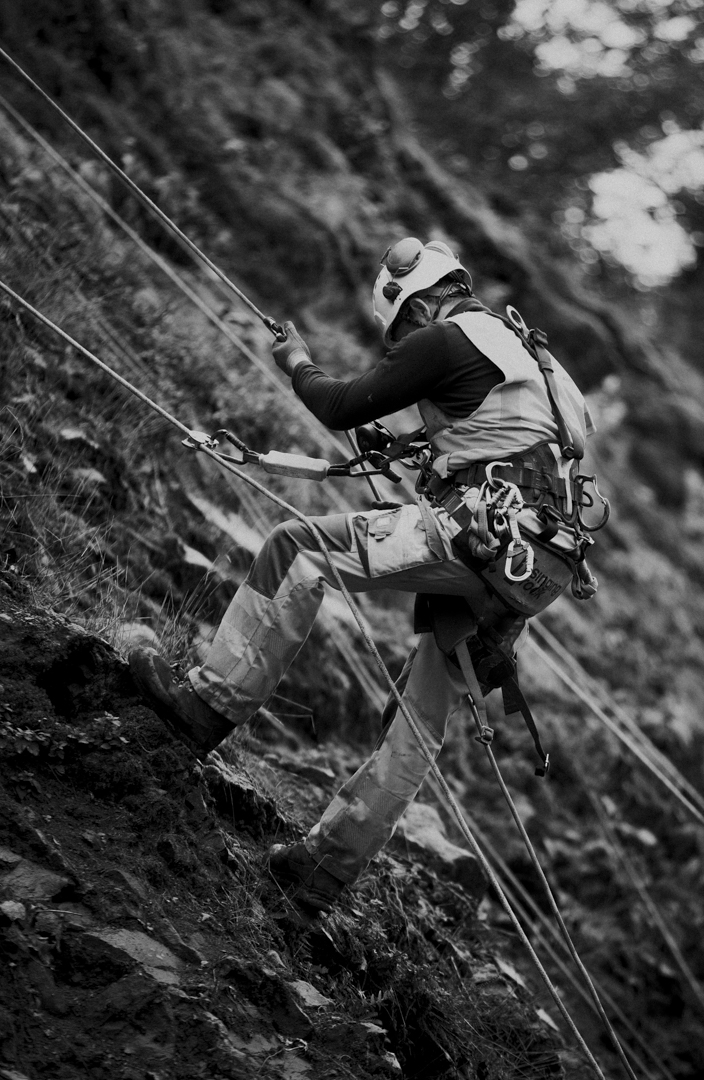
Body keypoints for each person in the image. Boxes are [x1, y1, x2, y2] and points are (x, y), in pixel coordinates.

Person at [129, 237, 596, 915]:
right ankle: (322, 870)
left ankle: (207, 706)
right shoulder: (542, 366)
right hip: (536, 564)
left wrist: (296, 362)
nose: (404, 339)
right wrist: (421, 451)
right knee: (420, 713)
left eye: (405, 322)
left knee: (298, 550)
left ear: (426, 300)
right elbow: (516, 449)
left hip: (481, 532)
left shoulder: (445, 338)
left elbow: (341, 404)